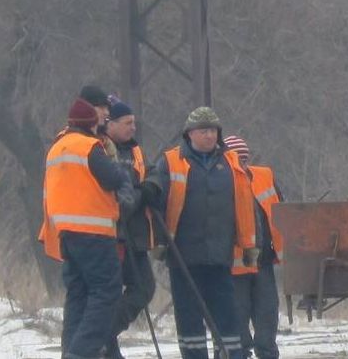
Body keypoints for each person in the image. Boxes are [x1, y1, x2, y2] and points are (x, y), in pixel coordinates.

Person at [143, 107, 256, 359]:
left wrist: (249, 245)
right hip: (184, 255)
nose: (209, 136)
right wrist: (159, 241)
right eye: (204, 130)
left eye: (213, 130)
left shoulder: (231, 163)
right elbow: (158, 201)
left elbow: (245, 205)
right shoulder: (171, 161)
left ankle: (230, 355)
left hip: (220, 254)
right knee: (189, 317)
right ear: (189, 134)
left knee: (227, 314)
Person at [40, 97, 136, 359]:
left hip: (65, 232)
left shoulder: (56, 148)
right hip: (94, 231)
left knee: (78, 295)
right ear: (92, 124)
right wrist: (124, 177)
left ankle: (70, 349)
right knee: (107, 291)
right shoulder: (89, 147)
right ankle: (82, 352)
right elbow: (113, 177)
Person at [102, 97, 156, 358]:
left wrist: (153, 186)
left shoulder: (136, 152)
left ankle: (104, 335)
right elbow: (119, 199)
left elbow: (150, 174)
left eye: (134, 122)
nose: (133, 127)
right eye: (127, 122)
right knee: (109, 293)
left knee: (145, 288)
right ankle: (106, 344)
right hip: (111, 235)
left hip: (134, 236)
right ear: (110, 124)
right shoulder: (100, 149)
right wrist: (139, 195)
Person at [225, 135, 284, 359]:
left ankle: (267, 353)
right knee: (236, 320)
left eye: (244, 157)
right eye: (236, 158)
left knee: (267, 316)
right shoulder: (221, 182)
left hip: (263, 261)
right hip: (234, 265)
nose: (241, 162)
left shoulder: (264, 176)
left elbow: (279, 210)